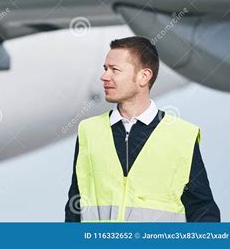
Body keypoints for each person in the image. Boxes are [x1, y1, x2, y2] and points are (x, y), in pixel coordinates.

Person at [64, 36, 220, 222]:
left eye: (115, 70)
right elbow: (75, 205)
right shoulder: (89, 131)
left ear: (144, 76)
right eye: (106, 69)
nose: (104, 77)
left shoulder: (182, 136)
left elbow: (202, 209)